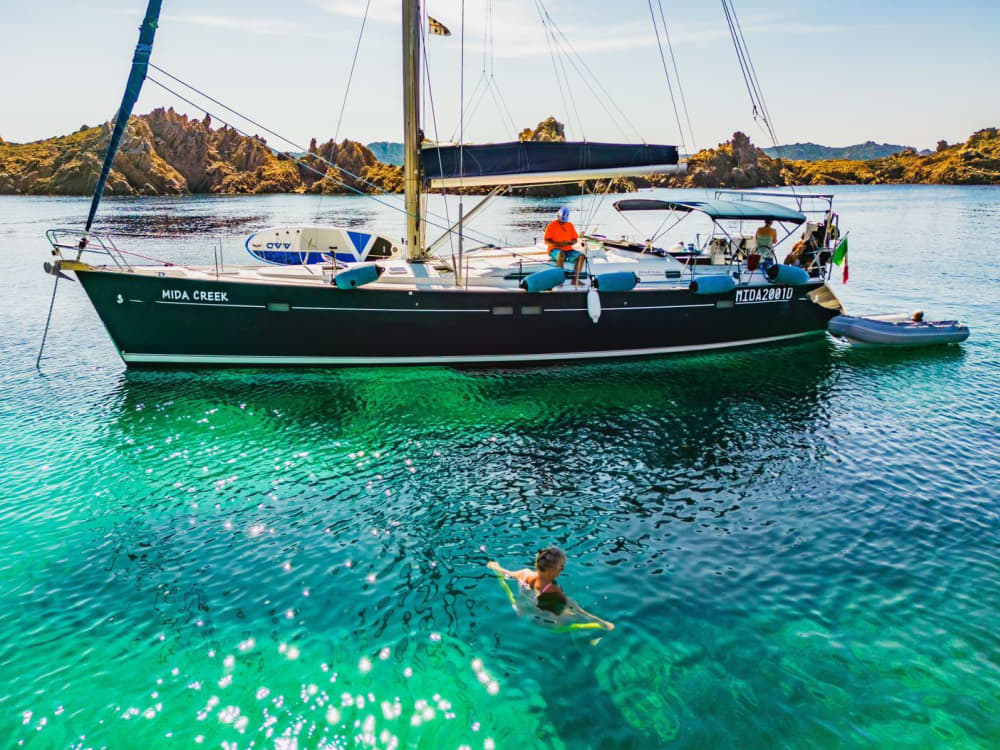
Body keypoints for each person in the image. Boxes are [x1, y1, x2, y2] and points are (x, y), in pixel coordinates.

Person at [488, 547, 614, 628]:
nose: (562, 570)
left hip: (519, 610)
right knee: (570, 615)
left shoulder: (524, 573)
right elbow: (578, 610)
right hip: (538, 620)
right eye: (561, 567)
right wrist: (602, 622)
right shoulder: (551, 588)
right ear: (552, 571)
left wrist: (495, 566)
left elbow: (505, 573)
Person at [545, 207, 585, 286]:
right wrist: (559, 244)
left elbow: (575, 239)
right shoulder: (551, 225)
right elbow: (547, 241)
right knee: (561, 254)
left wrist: (571, 242)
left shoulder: (570, 225)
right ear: (558, 216)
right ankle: (560, 280)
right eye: (561, 220)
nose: (563, 222)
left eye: (564, 221)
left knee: (582, 256)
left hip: (568, 249)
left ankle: (575, 280)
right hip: (554, 249)